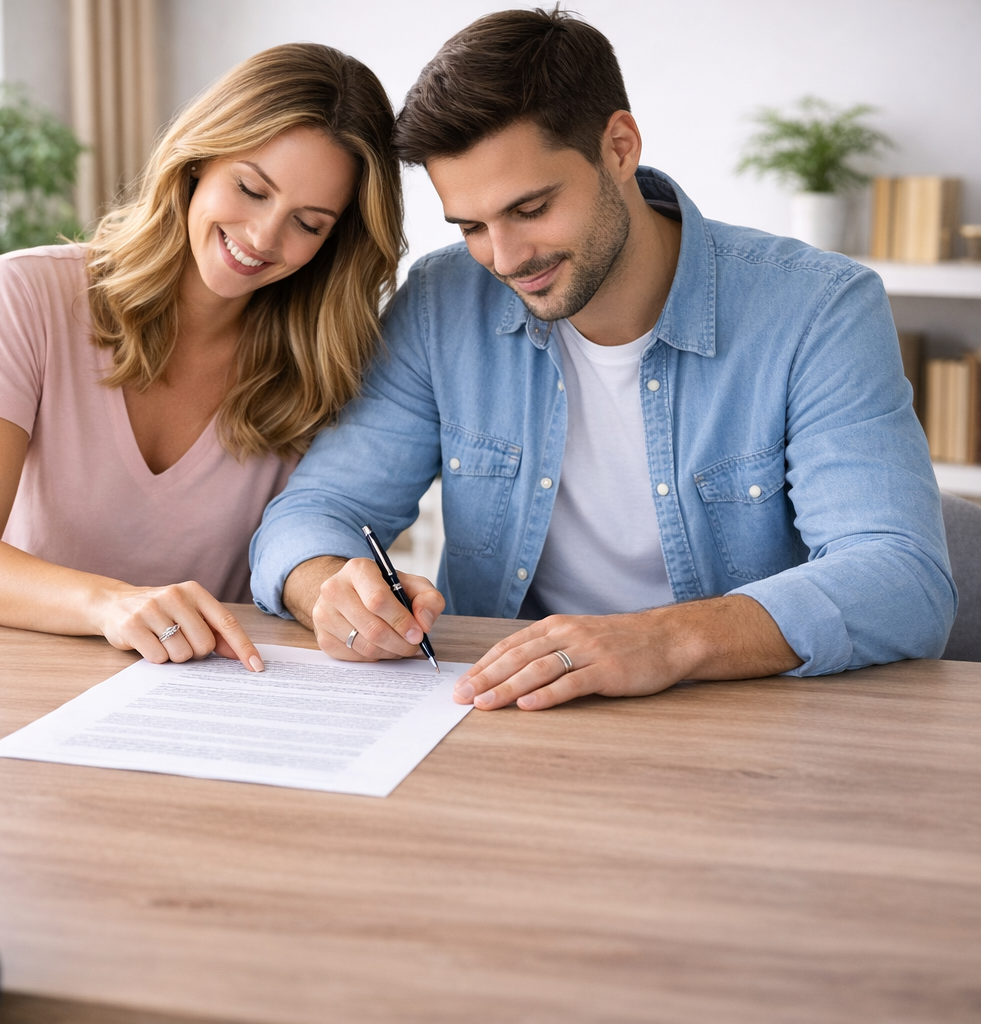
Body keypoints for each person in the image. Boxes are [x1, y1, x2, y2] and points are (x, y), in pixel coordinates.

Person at [250, 8, 954, 711]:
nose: (504, 257)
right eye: (470, 225)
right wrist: (330, 586)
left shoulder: (817, 309)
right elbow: (316, 510)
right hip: (506, 717)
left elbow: (903, 579)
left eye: (530, 208)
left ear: (618, 147)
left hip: (741, 722)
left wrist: (666, 640)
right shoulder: (442, 304)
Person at [0, 44, 404, 672]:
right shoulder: (26, 293)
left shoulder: (326, 361)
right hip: (23, 677)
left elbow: (313, 541)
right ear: (198, 160)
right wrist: (112, 605)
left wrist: (357, 598)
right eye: (251, 189)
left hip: (208, 696)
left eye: (308, 224)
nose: (262, 238)